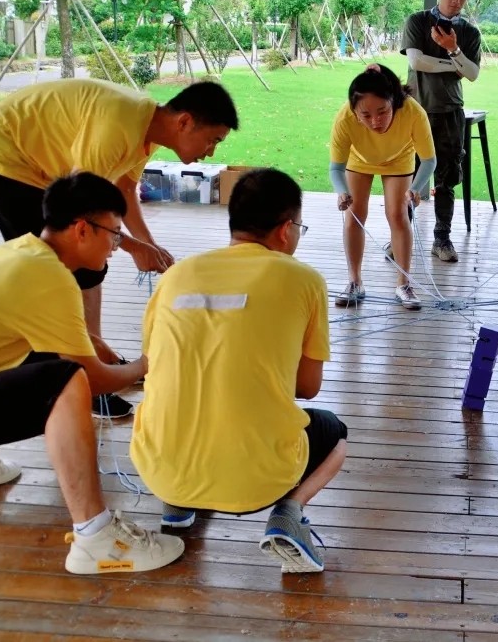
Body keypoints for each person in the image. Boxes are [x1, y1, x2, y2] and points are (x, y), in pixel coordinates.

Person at [0, 173, 184, 574]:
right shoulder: (49, 278)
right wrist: (143, 366)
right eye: (115, 234)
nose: (116, 247)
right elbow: (91, 379)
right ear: (82, 228)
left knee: (52, 361)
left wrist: (101, 350)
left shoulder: (24, 252)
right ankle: (96, 537)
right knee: (66, 380)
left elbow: (59, 334)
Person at [0, 79, 239, 418]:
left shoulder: (146, 131)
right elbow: (80, 208)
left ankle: (91, 357)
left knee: (88, 264)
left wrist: (149, 245)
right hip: (6, 156)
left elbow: (124, 190)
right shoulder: (118, 126)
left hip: (41, 165)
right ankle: (79, 376)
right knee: (55, 267)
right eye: (213, 139)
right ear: (184, 121)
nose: (211, 152)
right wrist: (131, 246)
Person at [132, 168, 348, 573]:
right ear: (285, 230)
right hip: (258, 480)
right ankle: (288, 515)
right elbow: (307, 387)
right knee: (335, 434)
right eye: (299, 227)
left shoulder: (177, 276)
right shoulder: (303, 279)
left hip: (160, 469)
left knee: (188, 402)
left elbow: (152, 365)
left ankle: (177, 505)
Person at [329, 64, 436, 310]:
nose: (375, 121)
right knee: (354, 215)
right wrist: (342, 192)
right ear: (355, 111)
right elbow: (336, 168)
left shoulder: (413, 112)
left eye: (382, 112)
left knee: (398, 215)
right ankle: (355, 282)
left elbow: (429, 160)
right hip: (359, 160)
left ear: (394, 102)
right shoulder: (345, 118)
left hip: (399, 159)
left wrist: (415, 189)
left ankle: (404, 284)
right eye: (365, 115)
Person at [400, 0, 481, 263]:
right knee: (407, 175)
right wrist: (454, 63)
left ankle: (442, 239)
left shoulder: (469, 32)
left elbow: (472, 74)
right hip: (413, 111)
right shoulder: (418, 21)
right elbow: (416, 62)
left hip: (450, 112)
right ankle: (400, 236)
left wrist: (453, 49)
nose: (457, 0)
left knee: (446, 179)